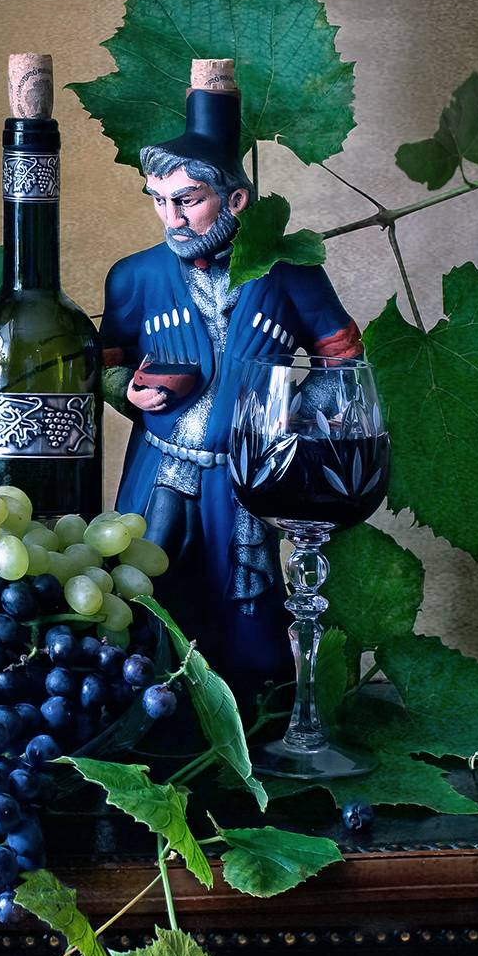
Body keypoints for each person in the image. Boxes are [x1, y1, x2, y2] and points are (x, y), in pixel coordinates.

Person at [101, 59, 362, 697]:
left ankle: (250, 715)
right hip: (160, 464)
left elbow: (344, 361)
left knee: (245, 605)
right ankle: (143, 705)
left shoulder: (288, 271)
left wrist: (287, 414)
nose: (171, 218)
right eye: (159, 201)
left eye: (187, 200)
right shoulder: (134, 276)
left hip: (245, 475)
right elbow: (102, 365)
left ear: (236, 200)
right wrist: (127, 391)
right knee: (139, 593)